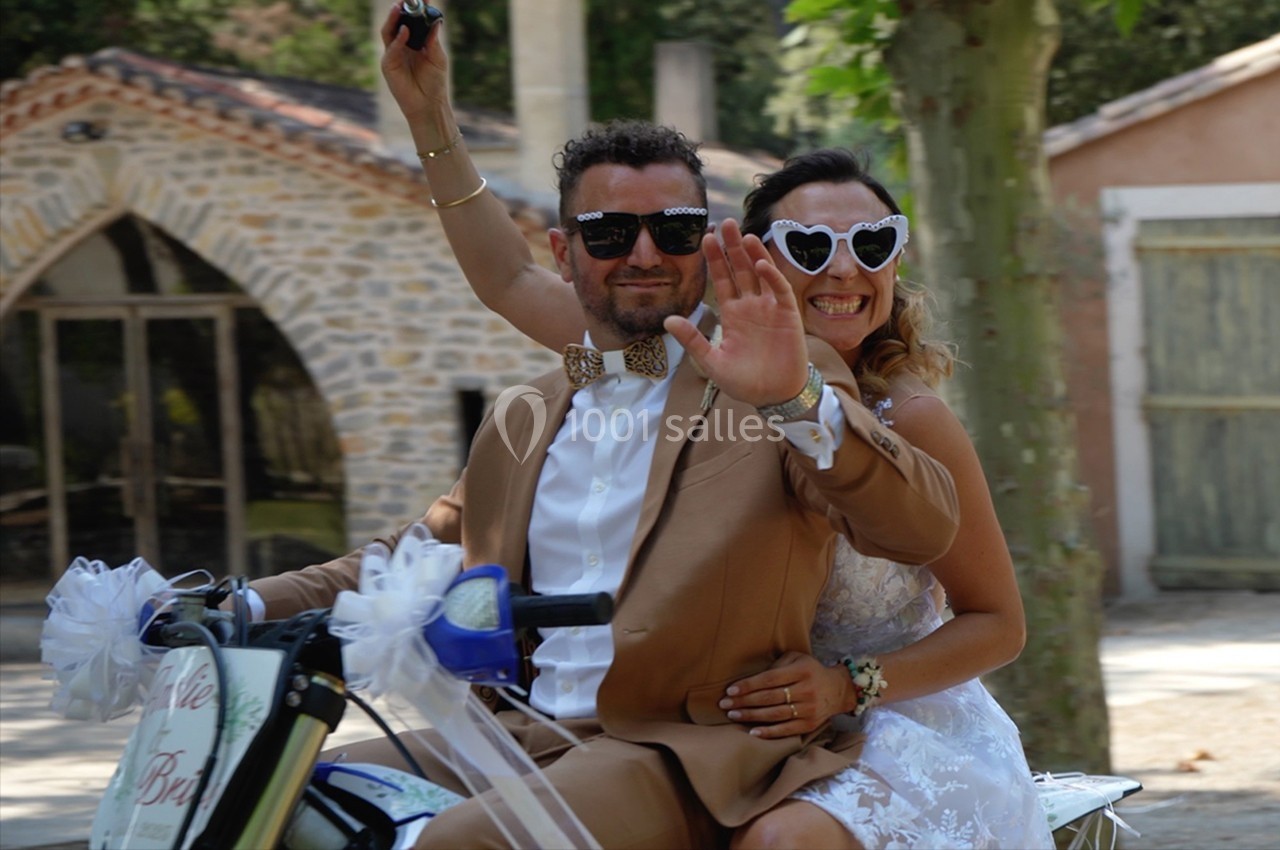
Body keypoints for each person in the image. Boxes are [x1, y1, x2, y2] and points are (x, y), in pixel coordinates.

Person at [244, 8, 962, 849]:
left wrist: (795, 399)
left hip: (682, 744)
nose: (646, 254)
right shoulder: (536, 406)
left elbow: (920, 528)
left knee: (454, 846)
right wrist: (241, 600)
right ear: (565, 250)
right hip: (523, 730)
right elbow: (419, 546)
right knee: (286, 790)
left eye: (677, 230)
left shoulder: (777, 376)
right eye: (613, 233)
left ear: (712, 247)